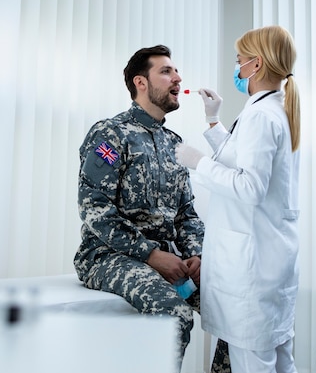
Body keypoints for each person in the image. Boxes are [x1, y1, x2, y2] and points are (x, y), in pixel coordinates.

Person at [73, 44, 229, 372]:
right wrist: (151, 255)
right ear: (141, 83)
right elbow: (95, 209)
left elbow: (186, 212)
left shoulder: (174, 143)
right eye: (166, 71)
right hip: (107, 257)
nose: (178, 77)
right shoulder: (110, 134)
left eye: (176, 71)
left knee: (237, 311)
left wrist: (198, 255)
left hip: (168, 257)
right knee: (175, 316)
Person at [175, 25, 301, 373]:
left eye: (239, 60)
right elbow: (245, 158)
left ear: (256, 64)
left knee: (254, 364)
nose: (237, 68)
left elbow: (249, 187)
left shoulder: (261, 114)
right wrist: (214, 121)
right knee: (280, 361)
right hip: (272, 260)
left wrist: (198, 162)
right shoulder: (276, 109)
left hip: (252, 266)